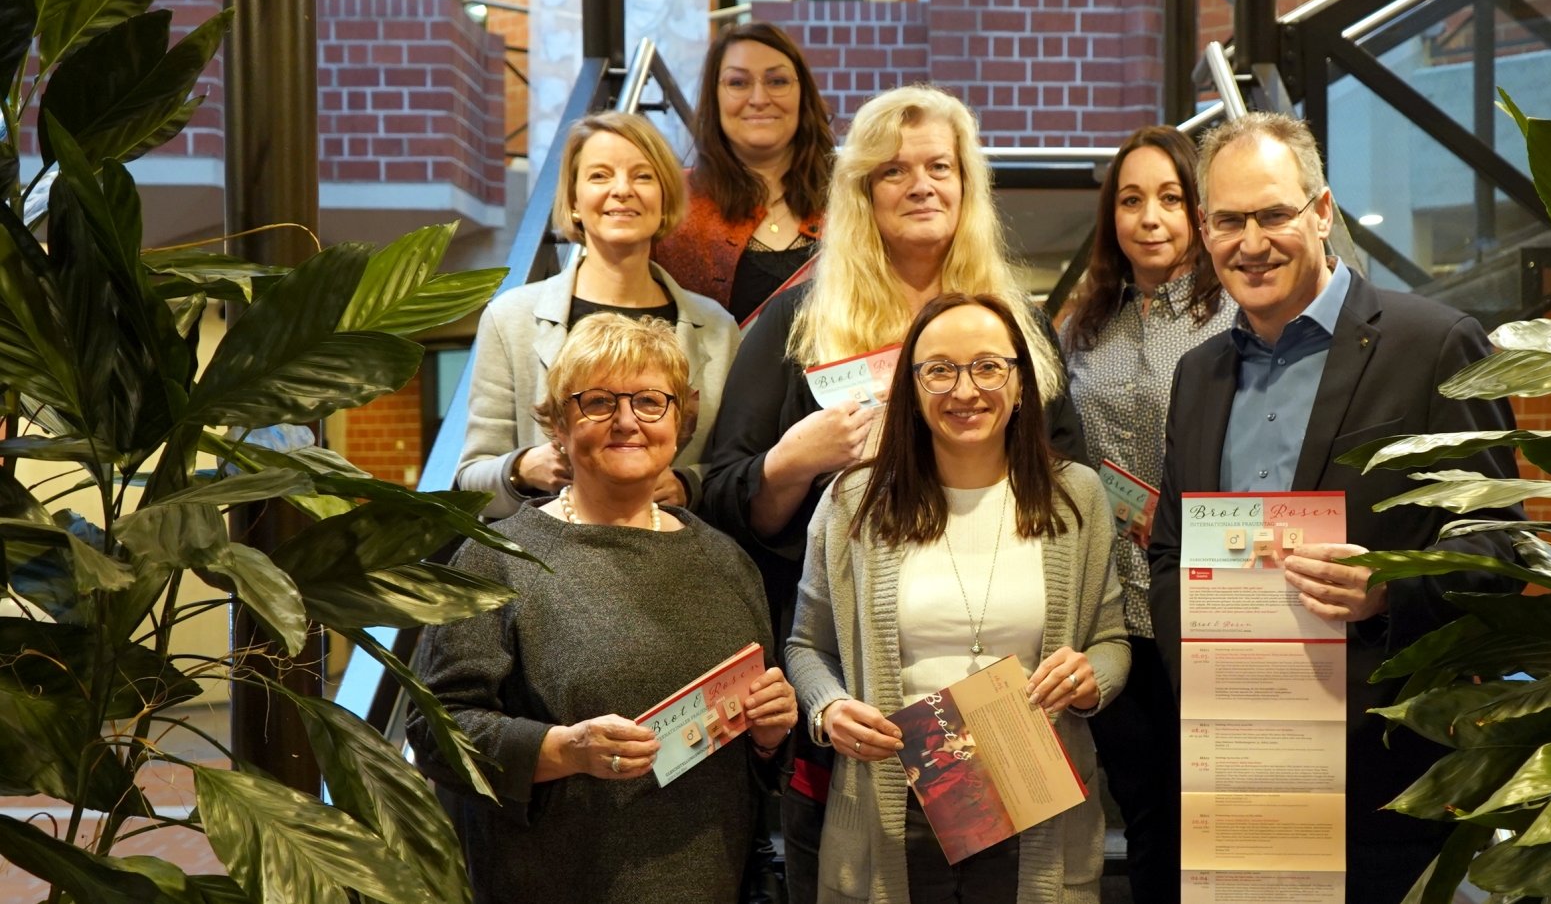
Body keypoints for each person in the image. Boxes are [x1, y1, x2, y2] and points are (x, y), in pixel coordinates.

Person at [699, 85, 1086, 904]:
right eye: (894, 170)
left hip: (1007, 703)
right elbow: (726, 502)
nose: (920, 185)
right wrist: (793, 461)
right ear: (860, 191)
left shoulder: (1019, 323)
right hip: (859, 699)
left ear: (967, 184)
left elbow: (1068, 483)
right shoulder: (797, 322)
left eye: (940, 166)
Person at [1146, 112, 1523, 901]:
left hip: (1388, 770)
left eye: (1273, 213)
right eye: (1228, 221)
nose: (1251, 242)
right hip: (1237, 765)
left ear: (1321, 212)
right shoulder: (1197, 375)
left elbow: (1502, 546)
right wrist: (1205, 689)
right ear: (1205, 233)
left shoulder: (1434, 344)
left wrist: (1390, 588)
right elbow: (1170, 554)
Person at [411, 313, 798, 904]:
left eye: (649, 401)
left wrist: (769, 735)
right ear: (560, 426)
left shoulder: (726, 562)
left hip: (709, 882)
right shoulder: (498, 559)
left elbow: (750, 760)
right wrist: (562, 750)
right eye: (597, 402)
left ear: (678, 422)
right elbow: (436, 730)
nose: (626, 422)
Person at [786, 292, 1129, 904]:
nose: (965, 390)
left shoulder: (1076, 498)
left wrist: (1090, 678)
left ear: (1021, 383)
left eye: (988, 366)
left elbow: (1110, 640)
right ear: (912, 390)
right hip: (893, 802)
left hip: (1034, 799)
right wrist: (829, 709)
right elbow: (806, 645)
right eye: (939, 370)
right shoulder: (853, 503)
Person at [1057, 124, 1233, 904]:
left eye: (1170, 198)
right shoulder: (1085, 326)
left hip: (1207, 598)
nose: (1150, 217)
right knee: (1147, 806)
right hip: (1116, 609)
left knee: (1218, 807)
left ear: (1197, 212)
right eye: (1131, 200)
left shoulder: (1230, 318)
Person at [457, 111, 740, 519]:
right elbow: (471, 477)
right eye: (600, 176)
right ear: (573, 201)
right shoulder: (510, 319)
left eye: (643, 176)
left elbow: (735, 471)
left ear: (664, 200)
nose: (622, 190)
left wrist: (686, 483)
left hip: (673, 559)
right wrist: (522, 470)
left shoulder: (716, 327)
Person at [652, 22, 833, 324]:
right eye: (738, 83)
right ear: (715, 97)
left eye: (777, 81)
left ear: (803, 94)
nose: (760, 98)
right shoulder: (671, 203)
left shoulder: (852, 194)